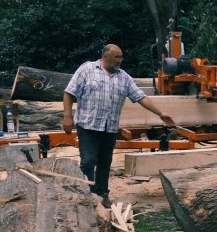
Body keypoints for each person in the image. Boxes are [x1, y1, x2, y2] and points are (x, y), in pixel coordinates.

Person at [63, 44, 174, 208]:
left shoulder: (124, 78)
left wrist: (160, 113)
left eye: (121, 57)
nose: (120, 60)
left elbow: (141, 97)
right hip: (88, 125)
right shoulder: (86, 69)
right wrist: (67, 116)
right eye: (117, 57)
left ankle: (102, 195)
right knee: (88, 162)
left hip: (109, 128)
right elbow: (69, 93)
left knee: (105, 163)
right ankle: (87, 196)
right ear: (106, 56)